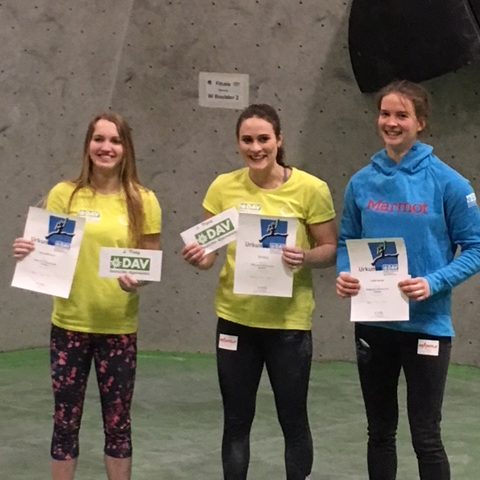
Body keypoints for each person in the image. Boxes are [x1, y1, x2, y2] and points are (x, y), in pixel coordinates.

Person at [182, 104, 337, 480]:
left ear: (279, 140)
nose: (256, 148)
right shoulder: (223, 187)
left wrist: (305, 256)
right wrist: (199, 258)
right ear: (238, 143)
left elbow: (330, 249)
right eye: (247, 140)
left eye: (264, 139)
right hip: (236, 322)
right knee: (236, 420)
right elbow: (209, 254)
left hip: (288, 325)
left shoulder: (311, 189)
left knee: (293, 417)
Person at [336, 80, 480, 480]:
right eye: (385, 113)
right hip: (374, 324)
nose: (392, 122)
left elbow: (475, 248)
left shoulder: (449, 183)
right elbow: (348, 240)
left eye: (402, 115)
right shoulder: (361, 182)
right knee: (379, 432)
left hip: (427, 326)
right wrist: (345, 274)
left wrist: (433, 282)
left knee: (426, 437)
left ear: (421, 123)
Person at [12, 113, 161, 480]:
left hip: (118, 329)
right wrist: (28, 251)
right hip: (69, 326)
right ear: (88, 145)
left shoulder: (143, 200)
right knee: (65, 423)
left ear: (126, 148)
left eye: (114, 140)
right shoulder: (65, 194)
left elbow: (149, 261)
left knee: (118, 424)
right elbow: (48, 248)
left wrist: (136, 280)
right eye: (99, 139)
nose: (106, 147)